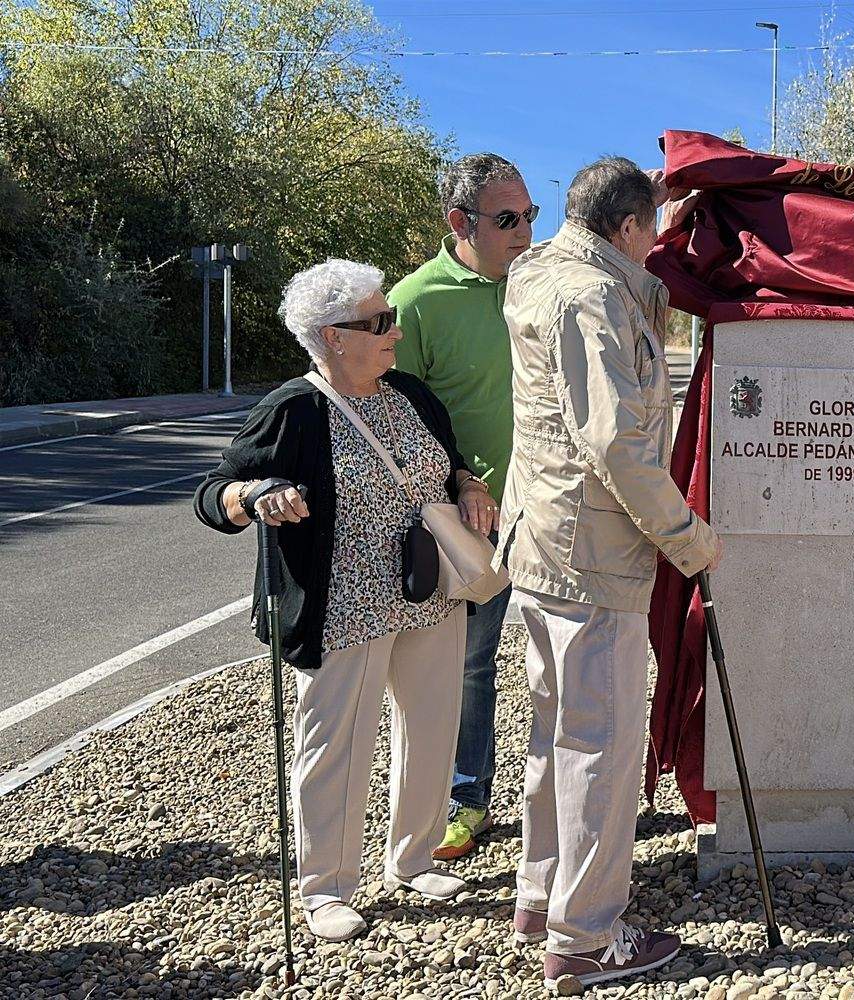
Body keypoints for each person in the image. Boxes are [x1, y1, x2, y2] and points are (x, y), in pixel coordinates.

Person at [194, 259, 499, 941]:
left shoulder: (411, 394)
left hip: (430, 597)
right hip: (344, 608)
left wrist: (472, 488)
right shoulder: (291, 410)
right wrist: (254, 498)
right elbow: (215, 492)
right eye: (380, 322)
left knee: (431, 731)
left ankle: (413, 858)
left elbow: (450, 465)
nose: (395, 331)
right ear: (334, 336)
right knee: (336, 748)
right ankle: (326, 888)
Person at [500, 156, 721, 988]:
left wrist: (664, 224)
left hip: (544, 544)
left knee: (557, 733)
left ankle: (539, 894)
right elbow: (616, 442)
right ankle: (586, 939)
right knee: (601, 748)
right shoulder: (591, 297)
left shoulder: (542, 272)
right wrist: (688, 538)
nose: (657, 242)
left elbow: (628, 288)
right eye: (651, 228)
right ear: (625, 229)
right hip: (591, 551)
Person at [388, 152, 536, 862]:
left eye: (531, 216)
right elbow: (392, 418)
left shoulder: (536, 286)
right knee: (470, 666)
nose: (525, 233)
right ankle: (465, 801)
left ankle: (561, 795)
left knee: (562, 659)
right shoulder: (414, 302)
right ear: (459, 222)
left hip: (549, 517)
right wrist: (460, 483)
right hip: (468, 528)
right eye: (509, 219)